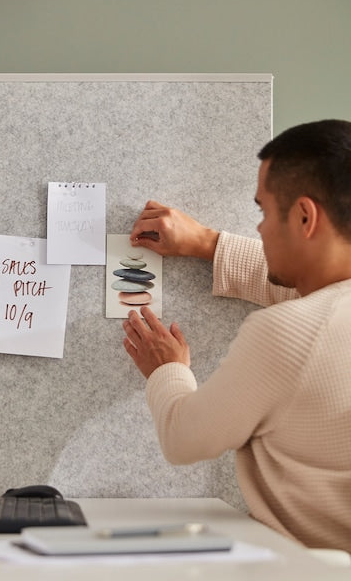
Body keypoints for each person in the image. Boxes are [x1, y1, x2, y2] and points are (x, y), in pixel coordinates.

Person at [122, 119, 351, 552]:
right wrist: (208, 243)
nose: (260, 229)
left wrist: (167, 370)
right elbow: (318, 298)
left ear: (304, 216)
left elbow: (184, 438)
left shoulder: (284, 334)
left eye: (263, 212)